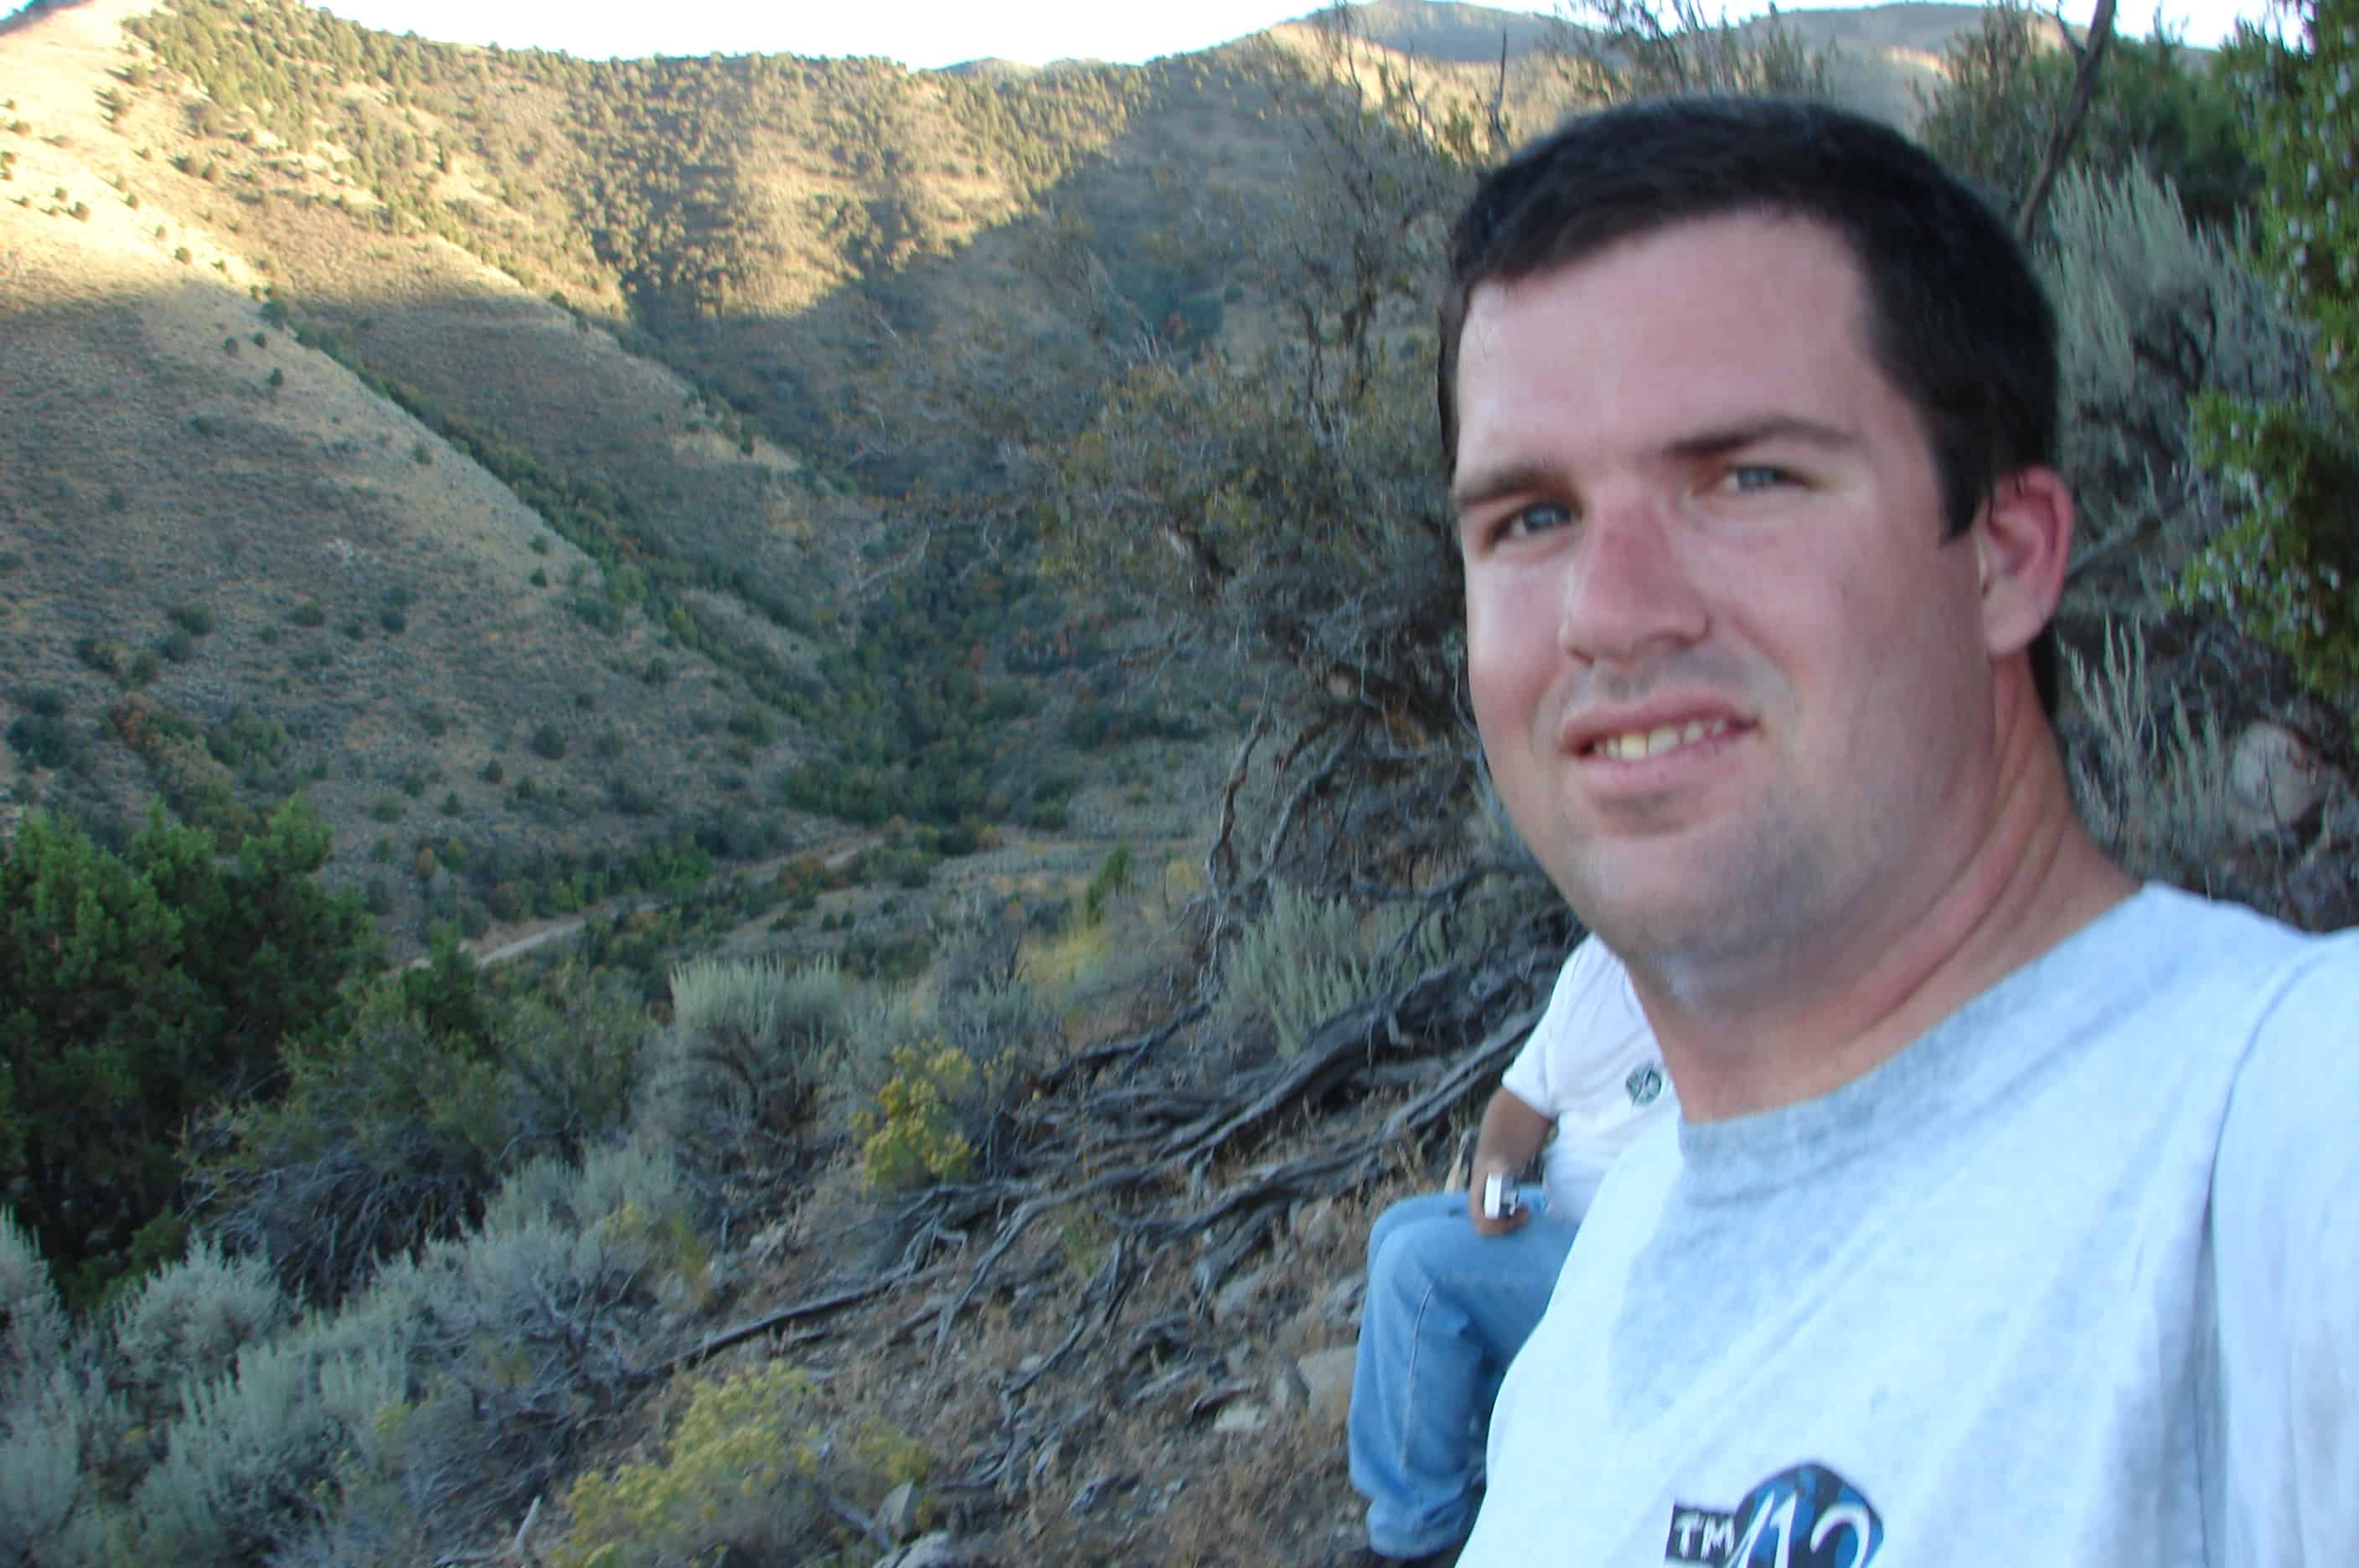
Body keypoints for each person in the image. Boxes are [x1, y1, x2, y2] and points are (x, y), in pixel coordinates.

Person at [1434, 97, 2358, 1565]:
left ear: (2007, 557)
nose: (1608, 612)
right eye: (1531, 519)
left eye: (1747, 478)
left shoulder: (2273, 1140)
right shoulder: (1596, 1309)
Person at [1345, 936, 1675, 1568]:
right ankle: (1475, 1465)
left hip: (1637, 1248)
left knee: (1418, 1269)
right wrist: (1494, 1168)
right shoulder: (1597, 964)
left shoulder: (1720, 976)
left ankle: (1418, 1535)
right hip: (1566, 1212)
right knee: (1394, 1230)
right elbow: (1524, 1100)